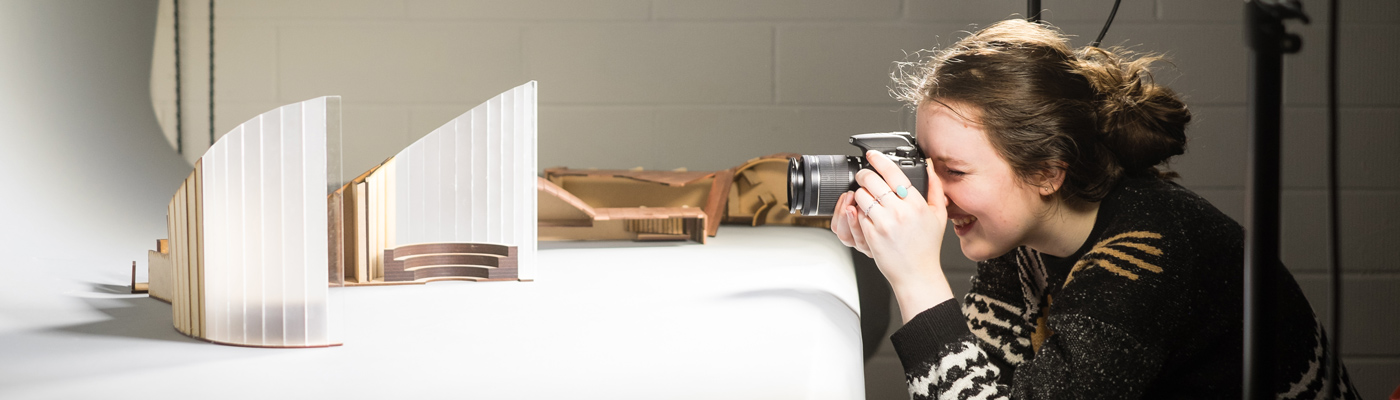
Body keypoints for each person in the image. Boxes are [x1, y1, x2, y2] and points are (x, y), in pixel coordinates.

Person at [831, 19, 1358, 399]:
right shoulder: (1021, 239)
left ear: (1047, 171)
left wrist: (916, 280)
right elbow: (988, 381)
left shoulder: (1149, 257)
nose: (933, 194)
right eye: (927, 165)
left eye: (954, 171)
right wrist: (893, 258)